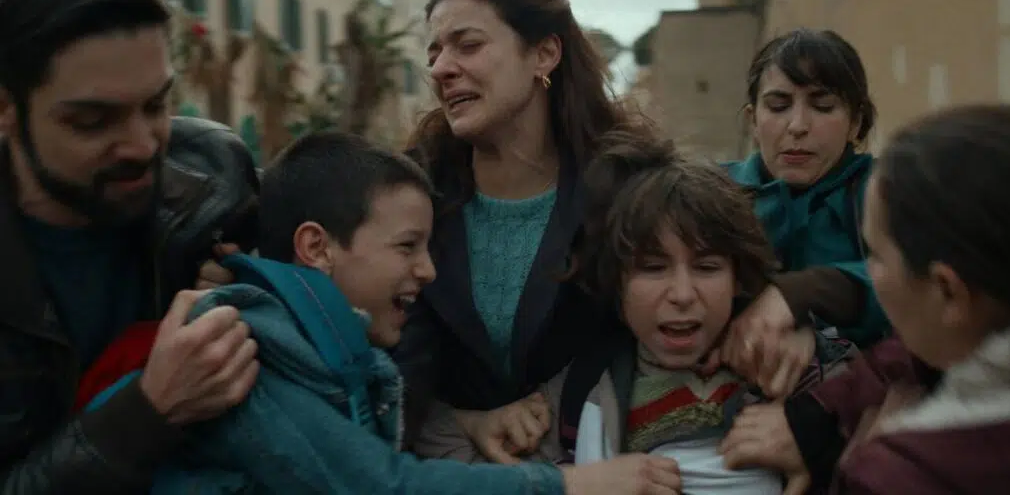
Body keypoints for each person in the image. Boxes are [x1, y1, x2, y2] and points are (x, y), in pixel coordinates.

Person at [82, 130, 682, 495]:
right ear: (317, 247)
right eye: (407, 246)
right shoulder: (243, 347)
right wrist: (573, 484)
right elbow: (376, 485)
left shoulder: (332, 351)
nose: (428, 270)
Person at [0, 0, 260, 493]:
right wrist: (148, 411)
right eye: (93, 121)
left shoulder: (218, 180)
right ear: (6, 108)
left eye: (156, 104)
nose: (143, 145)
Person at [396, 0, 653, 459]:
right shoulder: (407, 195)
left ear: (544, 54)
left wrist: (784, 304)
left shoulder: (630, 188)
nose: (441, 68)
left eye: (468, 45)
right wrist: (460, 421)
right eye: (435, 52)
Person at [720, 104, 1010, 494]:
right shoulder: (978, 332)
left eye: (873, 256)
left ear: (948, 292)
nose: (798, 125)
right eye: (778, 104)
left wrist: (849, 462)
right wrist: (819, 420)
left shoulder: (901, 475)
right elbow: (904, 360)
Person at [552, 131, 856, 495]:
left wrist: (815, 438)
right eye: (653, 268)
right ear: (616, 280)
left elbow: (886, 428)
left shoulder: (788, 366)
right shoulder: (577, 391)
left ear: (737, 278)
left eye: (707, 267)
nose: (682, 295)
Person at [718, 29, 889, 391]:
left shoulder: (890, 191)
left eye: (823, 106)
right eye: (778, 106)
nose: (797, 126)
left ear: (856, 123)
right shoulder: (712, 194)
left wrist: (803, 295)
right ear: (752, 120)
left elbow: (928, 281)